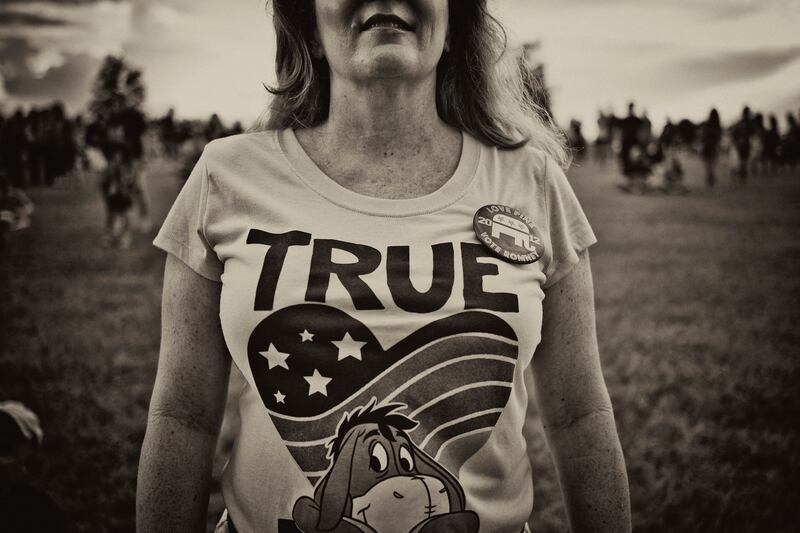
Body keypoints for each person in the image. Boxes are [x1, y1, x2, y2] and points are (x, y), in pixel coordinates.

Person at [137, 2, 631, 532]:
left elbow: (580, 415)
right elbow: (183, 416)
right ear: (310, 30)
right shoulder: (225, 175)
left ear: (452, 28)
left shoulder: (533, 181)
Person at [700, 108, 723, 188]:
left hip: (706, 147)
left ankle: (710, 181)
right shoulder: (717, 126)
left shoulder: (707, 125)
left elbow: (703, 136)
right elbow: (719, 137)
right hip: (713, 147)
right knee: (712, 166)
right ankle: (711, 181)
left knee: (708, 166)